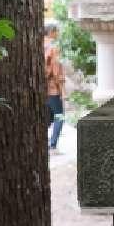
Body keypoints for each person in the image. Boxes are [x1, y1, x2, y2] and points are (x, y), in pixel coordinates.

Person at [44, 22, 65, 150]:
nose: (57, 34)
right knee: (59, 116)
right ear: (51, 32)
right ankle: (53, 143)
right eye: (56, 31)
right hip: (52, 88)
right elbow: (56, 71)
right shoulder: (52, 48)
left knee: (48, 116)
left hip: (40, 87)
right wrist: (62, 90)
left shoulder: (39, 44)